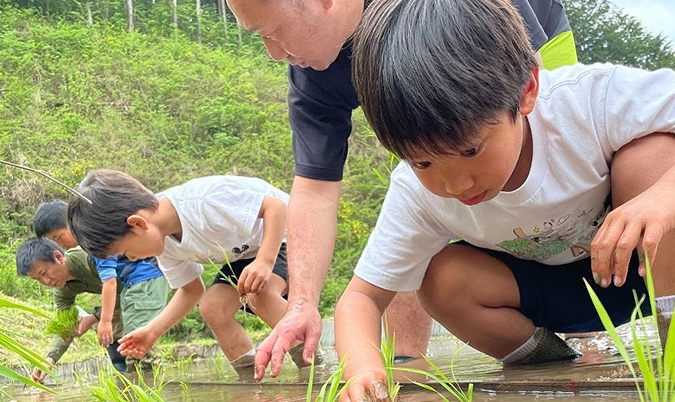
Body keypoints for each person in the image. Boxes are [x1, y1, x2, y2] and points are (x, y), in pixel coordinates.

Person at [332, 0, 675, 402]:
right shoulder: (416, 194)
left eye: (471, 150)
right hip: (557, 294)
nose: (454, 183)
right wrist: (364, 367)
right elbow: (361, 299)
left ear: (527, 88)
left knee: (655, 156)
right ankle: (553, 365)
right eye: (423, 162)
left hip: (648, 265)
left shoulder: (589, 99)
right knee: (440, 279)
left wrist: (672, 195)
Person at [224, 0, 583, 381]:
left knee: (549, 173)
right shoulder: (313, 76)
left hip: (529, 43)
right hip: (428, 118)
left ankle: (591, 319)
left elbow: (530, 96)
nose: (275, 54)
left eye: (273, 34)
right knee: (421, 193)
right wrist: (301, 303)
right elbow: (314, 190)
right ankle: (407, 365)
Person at [66, 170, 302, 375]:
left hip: (291, 231)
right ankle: (251, 378)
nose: (131, 259)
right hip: (249, 253)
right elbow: (191, 290)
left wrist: (264, 261)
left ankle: (313, 366)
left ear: (138, 224)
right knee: (212, 308)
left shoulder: (203, 202)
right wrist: (152, 331)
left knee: (259, 293)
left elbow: (275, 207)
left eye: (126, 251)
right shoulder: (163, 241)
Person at [15, 237, 165, 382]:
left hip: (145, 278)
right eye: (38, 279)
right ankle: (131, 391)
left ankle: (157, 391)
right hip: (121, 296)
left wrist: (94, 317)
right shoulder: (61, 291)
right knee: (120, 356)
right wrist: (49, 360)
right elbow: (66, 327)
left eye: (44, 273)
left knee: (140, 350)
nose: (46, 281)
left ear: (58, 257)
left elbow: (118, 289)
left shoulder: (89, 257)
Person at [32, 199, 170, 355]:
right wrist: (49, 359)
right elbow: (65, 323)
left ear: (71, 222)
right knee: (119, 345)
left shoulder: (93, 241)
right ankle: (130, 375)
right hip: (126, 288)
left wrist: (99, 319)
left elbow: (111, 283)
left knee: (137, 346)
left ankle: (147, 376)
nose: (58, 245)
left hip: (144, 278)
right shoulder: (64, 281)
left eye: (57, 238)